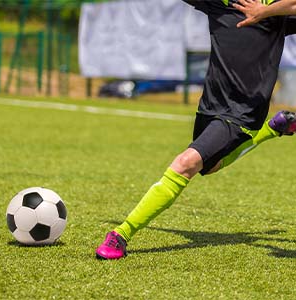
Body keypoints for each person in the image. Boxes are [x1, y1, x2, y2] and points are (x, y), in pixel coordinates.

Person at [95, 0, 296, 260]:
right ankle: (274, 128)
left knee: (185, 163)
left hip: (242, 113)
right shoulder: (224, 4)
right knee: (208, 166)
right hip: (211, 106)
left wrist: (265, 11)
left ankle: (121, 235)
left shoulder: (276, 12)